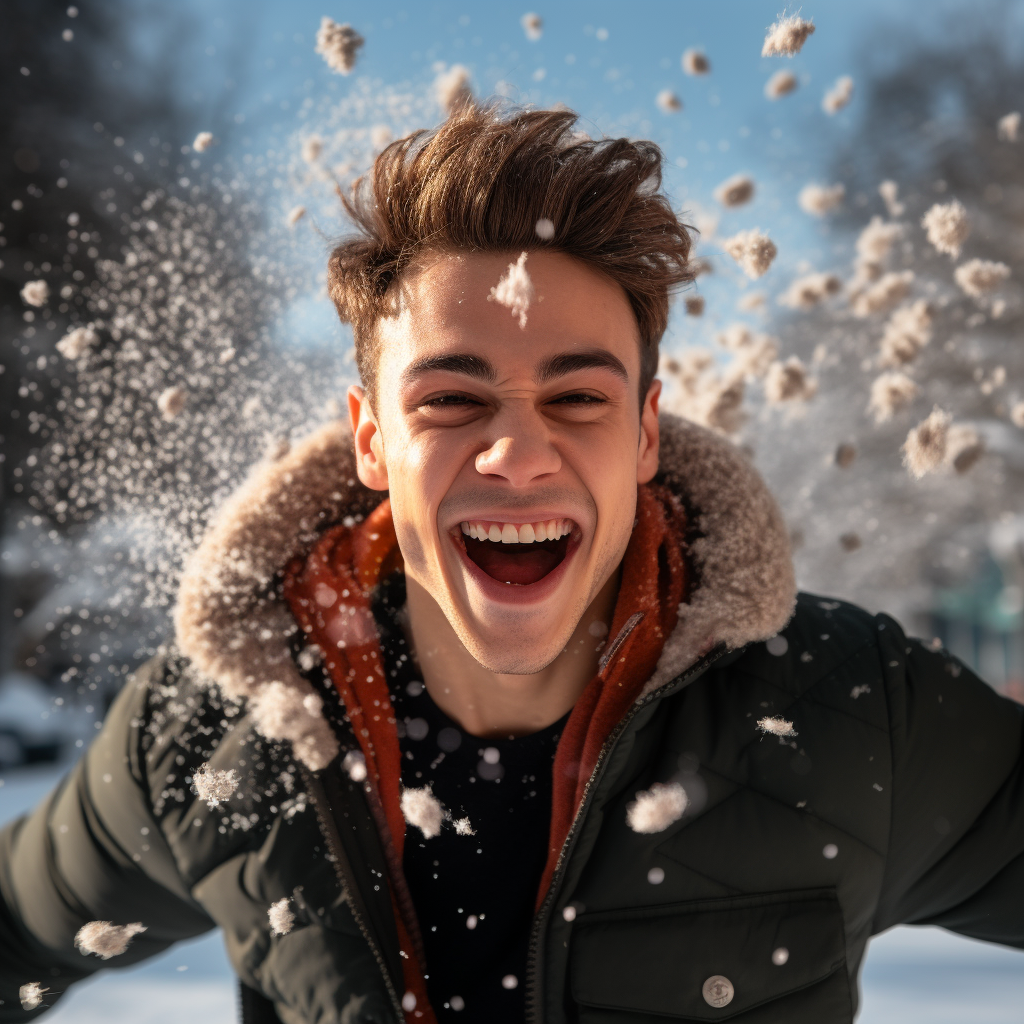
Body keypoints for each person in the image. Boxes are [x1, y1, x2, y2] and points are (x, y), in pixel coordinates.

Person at [3, 104, 1024, 1024]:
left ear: (644, 434)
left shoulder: (852, 714)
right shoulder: (214, 730)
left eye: (577, 398)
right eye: (450, 400)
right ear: (370, 439)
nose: (519, 454)